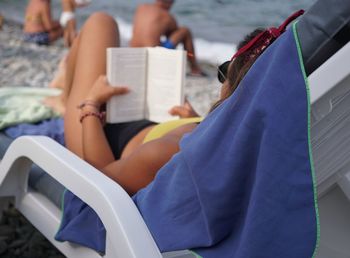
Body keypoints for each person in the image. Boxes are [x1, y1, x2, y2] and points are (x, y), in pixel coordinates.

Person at [55, 11, 268, 195]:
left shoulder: (169, 153)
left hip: (99, 139)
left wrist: (91, 105)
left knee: (99, 22)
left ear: (232, 87)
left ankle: (66, 99)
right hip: (136, 126)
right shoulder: (238, 143)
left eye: (224, 73)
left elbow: (100, 181)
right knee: (102, 24)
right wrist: (195, 120)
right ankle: (66, 94)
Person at [130, 0, 205, 76]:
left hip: (134, 54)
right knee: (185, 31)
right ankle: (195, 69)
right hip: (153, 58)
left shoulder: (141, 7)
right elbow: (171, 39)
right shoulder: (168, 17)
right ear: (170, 2)